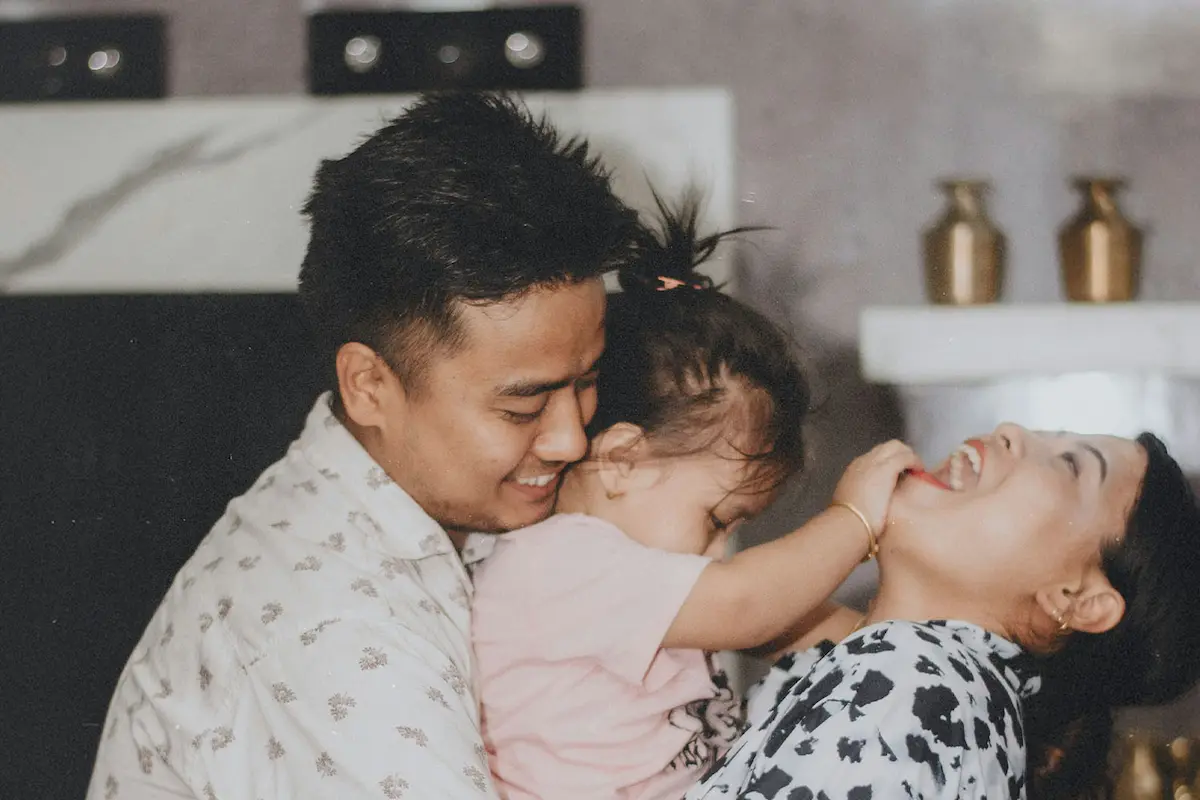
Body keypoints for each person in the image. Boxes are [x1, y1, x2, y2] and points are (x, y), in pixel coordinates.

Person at [87, 92, 644, 799]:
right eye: (522, 405)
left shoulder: (420, 511)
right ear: (369, 385)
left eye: (587, 381)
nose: (569, 438)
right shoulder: (335, 636)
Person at [468, 195, 921, 799]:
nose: (716, 552)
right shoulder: (557, 561)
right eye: (715, 519)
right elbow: (747, 604)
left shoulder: (634, 576)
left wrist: (914, 646)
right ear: (623, 460)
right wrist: (855, 519)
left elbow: (789, 621)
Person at [686, 425, 1200, 800]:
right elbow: (748, 611)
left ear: (1074, 600)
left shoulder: (906, 683)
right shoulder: (949, 694)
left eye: (1070, 465)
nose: (1011, 431)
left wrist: (851, 521)